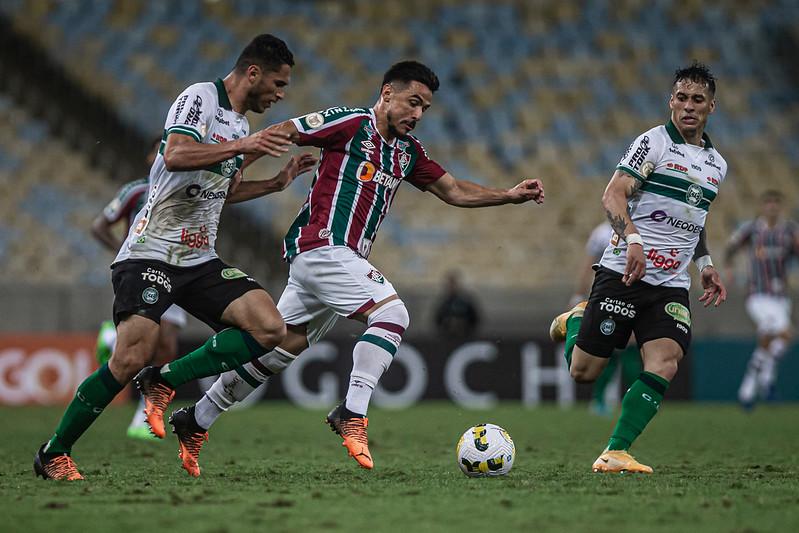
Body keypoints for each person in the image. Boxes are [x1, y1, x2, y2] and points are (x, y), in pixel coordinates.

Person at [166, 60, 545, 477]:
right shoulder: (349, 122)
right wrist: (240, 170)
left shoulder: (407, 152)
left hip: (343, 260)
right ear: (387, 94)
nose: (418, 114)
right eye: (412, 102)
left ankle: (196, 418)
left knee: (277, 350)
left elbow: (453, 190)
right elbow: (286, 132)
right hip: (321, 246)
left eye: (425, 109)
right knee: (392, 312)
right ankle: (352, 412)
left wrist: (508, 195)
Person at [34, 34, 318, 480]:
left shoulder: (241, 126)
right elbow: (177, 153)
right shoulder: (200, 98)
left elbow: (222, 190)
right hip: (151, 251)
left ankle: (163, 380)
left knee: (269, 328)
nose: (281, 94)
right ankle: (54, 452)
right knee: (129, 356)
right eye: (279, 84)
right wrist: (243, 149)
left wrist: (276, 184)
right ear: (253, 73)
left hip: (198, 257)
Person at [549, 62, 727, 474]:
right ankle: (576, 320)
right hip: (623, 272)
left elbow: (693, 219)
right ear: (671, 101)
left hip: (669, 284)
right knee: (583, 373)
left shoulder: (717, 164)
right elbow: (613, 195)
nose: (687, 106)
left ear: (710, 108)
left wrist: (705, 264)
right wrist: (633, 239)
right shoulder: (653, 144)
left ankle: (616, 451)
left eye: (697, 100)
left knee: (666, 360)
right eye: (681, 98)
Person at [90, 138, 188, 440]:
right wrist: (125, 251)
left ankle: (144, 415)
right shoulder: (136, 190)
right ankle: (113, 335)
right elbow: (99, 226)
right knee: (143, 346)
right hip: (141, 271)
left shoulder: (189, 189)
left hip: (181, 271)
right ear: (152, 156)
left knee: (167, 347)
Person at [724, 189, 799, 409]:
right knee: (784, 333)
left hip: (780, 297)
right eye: (768, 203)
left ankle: (749, 389)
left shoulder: (790, 231)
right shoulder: (751, 229)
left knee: (770, 339)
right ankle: (765, 381)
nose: (772, 207)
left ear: (781, 206)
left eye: (776, 202)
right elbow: (731, 247)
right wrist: (728, 268)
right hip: (757, 294)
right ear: (762, 206)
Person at [570, 221, 642, 416]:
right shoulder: (602, 233)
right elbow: (588, 265)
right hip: (607, 295)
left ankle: (635, 401)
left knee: (631, 348)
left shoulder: (646, 227)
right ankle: (599, 399)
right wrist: (579, 294)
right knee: (607, 348)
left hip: (636, 294)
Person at [434, 270, 481, 338]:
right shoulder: (444, 302)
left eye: (453, 284)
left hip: (465, 336)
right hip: (448, 338)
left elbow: (474, 318)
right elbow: (438, 320)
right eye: (449, 284)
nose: (451, 286)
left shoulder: (466, 300)